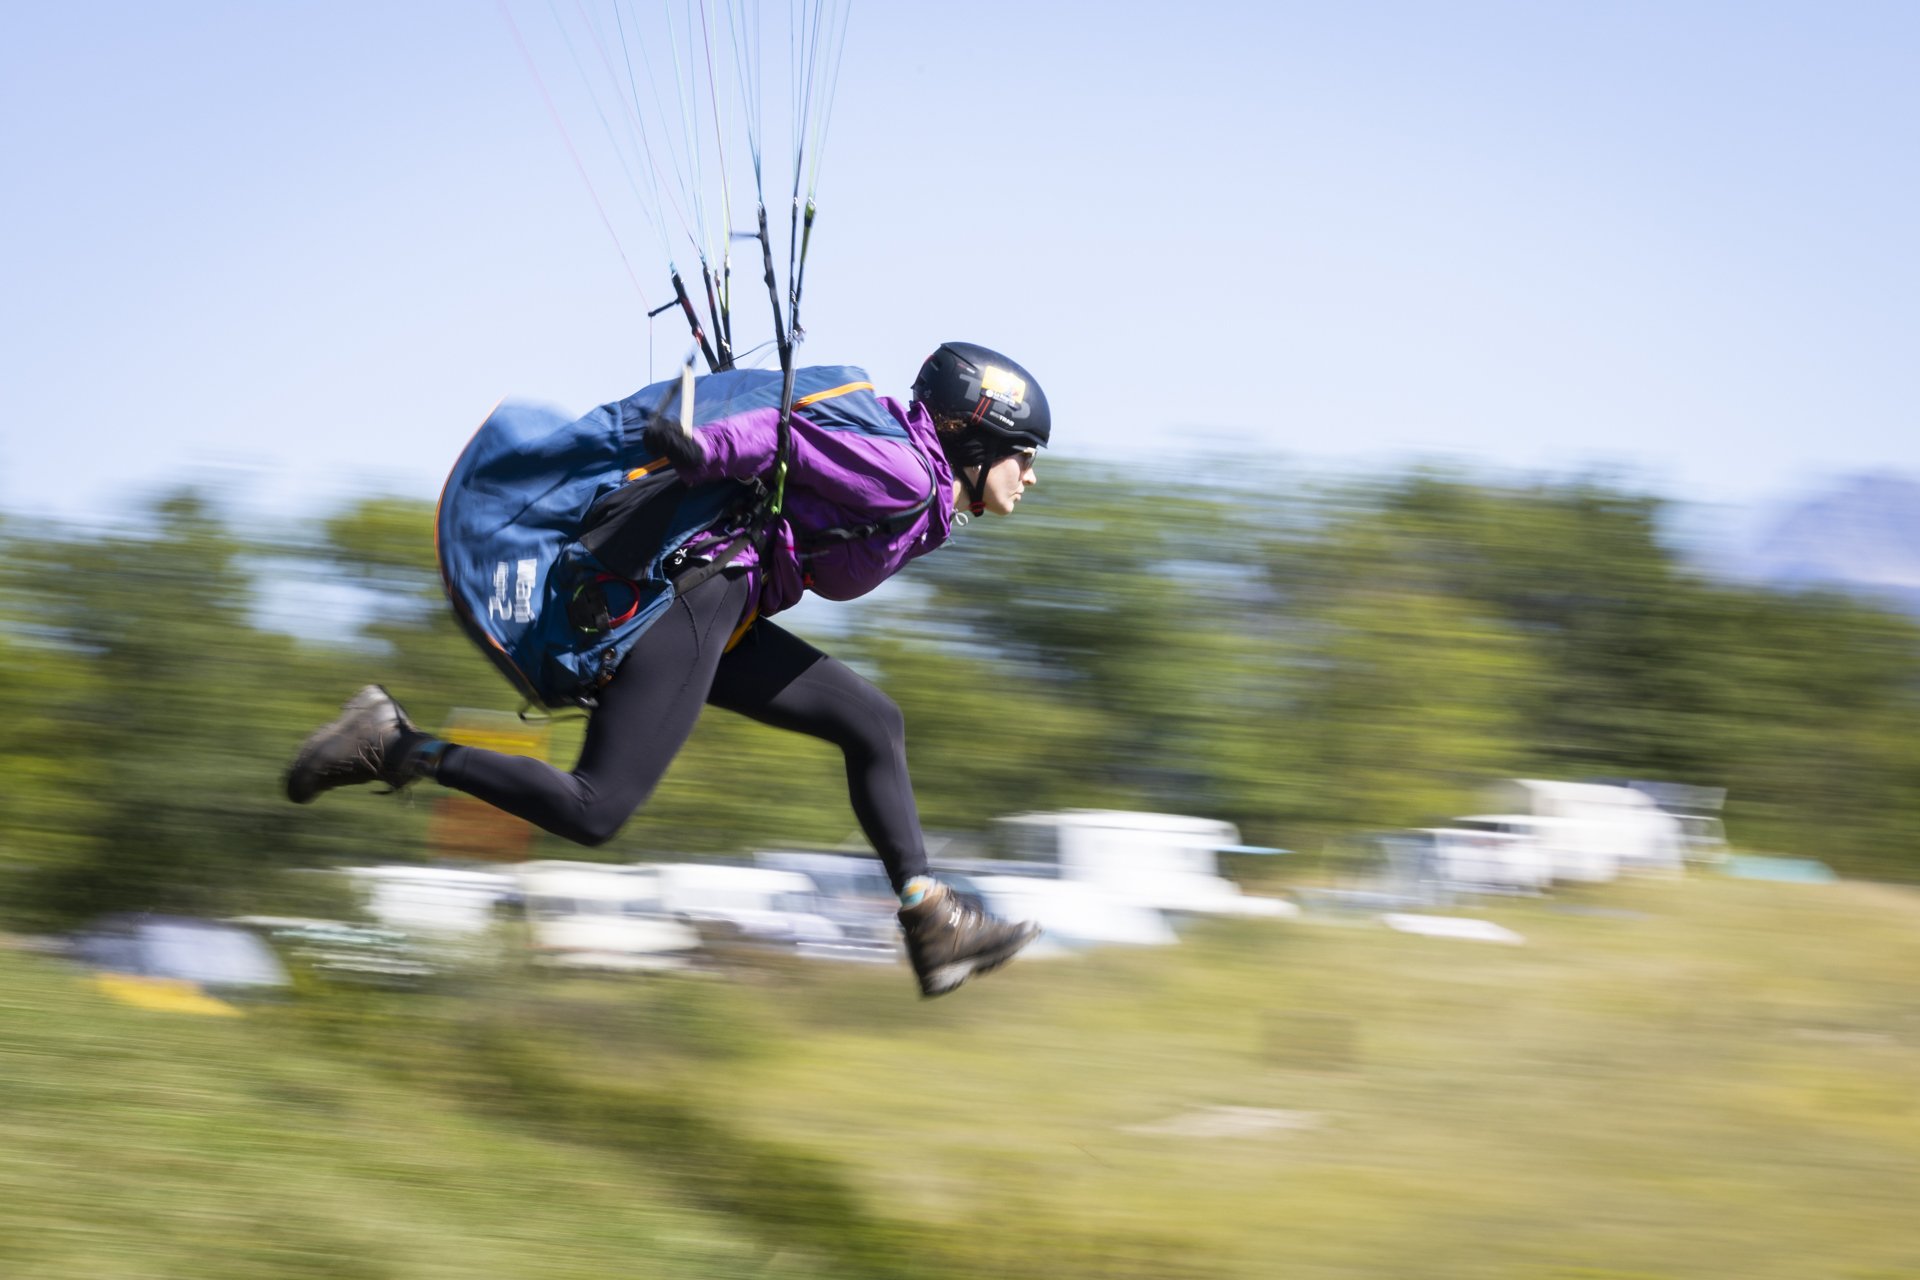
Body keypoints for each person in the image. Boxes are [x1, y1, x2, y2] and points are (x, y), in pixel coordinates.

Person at [285, 342, 1048, 997]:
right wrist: (707, 448)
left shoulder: (910, 475)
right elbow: (788, 439)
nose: (1030, 476)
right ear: (974, 438)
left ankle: (931, 922)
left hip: (727, 606)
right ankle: (394, 744)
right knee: (595, 808)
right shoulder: (906, 475)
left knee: (872, 721)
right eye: (1024, 455)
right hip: (700, 595)